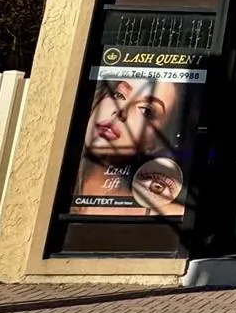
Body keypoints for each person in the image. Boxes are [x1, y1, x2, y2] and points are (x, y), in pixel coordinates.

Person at [75, 75, 186, 216]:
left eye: (146, 111)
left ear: (157, 143)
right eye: (119, 94)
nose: (121, 110)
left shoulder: (166, 216)